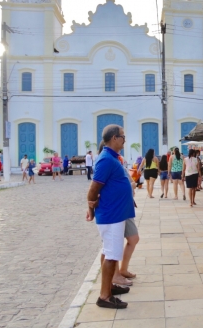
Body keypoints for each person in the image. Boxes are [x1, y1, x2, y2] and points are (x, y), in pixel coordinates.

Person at [86, 124, 134, 309]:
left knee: (108, 252)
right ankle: (104, 297)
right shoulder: (106, 160)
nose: (124, 139)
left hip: (115, 213)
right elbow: (93, 189)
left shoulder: (112, 158)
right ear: (114, 138)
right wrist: (91, 208)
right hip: (111, 215)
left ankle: (109, 287)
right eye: (122, 136)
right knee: (112, 256)